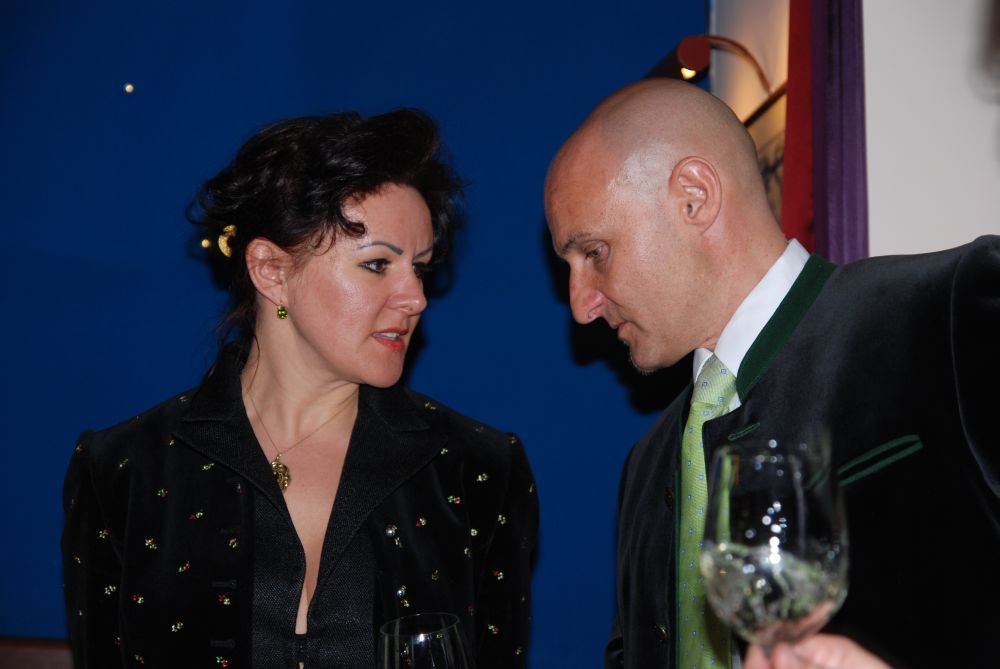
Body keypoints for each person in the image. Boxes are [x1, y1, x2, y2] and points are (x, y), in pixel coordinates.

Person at [544, 78, 999, 669]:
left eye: (595, 252)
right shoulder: (646, 466)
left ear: (694, 197)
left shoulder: (947, 309)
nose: (581, 306)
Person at [62, 109, 538, 669]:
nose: (416, 298)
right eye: (378, 264)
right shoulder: (124, 471)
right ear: (271, 270)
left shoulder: (475, 469)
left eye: (421, 268)